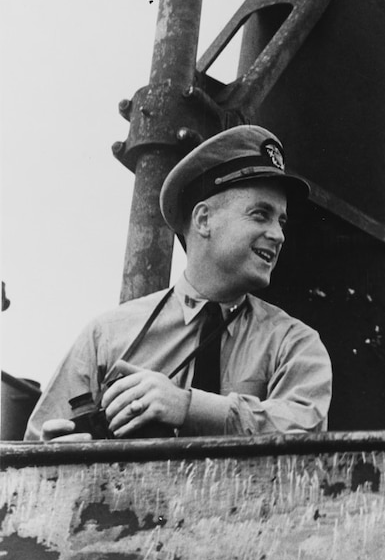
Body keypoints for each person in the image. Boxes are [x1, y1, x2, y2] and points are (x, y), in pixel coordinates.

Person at [26, 125, 332, 441]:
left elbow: (304, 435)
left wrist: (186, 405)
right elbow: (25, 460)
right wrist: (57, 453)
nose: (278, 235)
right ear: (203, 220)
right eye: (260, 214)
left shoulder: (295, 345)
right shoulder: (105, 337)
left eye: (281, 221)